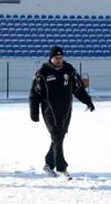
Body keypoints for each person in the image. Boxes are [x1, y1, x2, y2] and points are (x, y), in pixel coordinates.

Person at [29, 46, 95, 180]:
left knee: (59, 137)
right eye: (56, 58)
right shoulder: (42, 72)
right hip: (49, 111)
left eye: (60, 58)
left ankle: (48, 164)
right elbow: (34, 94)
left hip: (66, 110)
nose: (59, 60)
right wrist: (34, 113)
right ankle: (61, 169)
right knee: (57, 134)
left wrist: (88, 101)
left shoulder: (69, 70)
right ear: (51, 58)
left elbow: (78, 89)